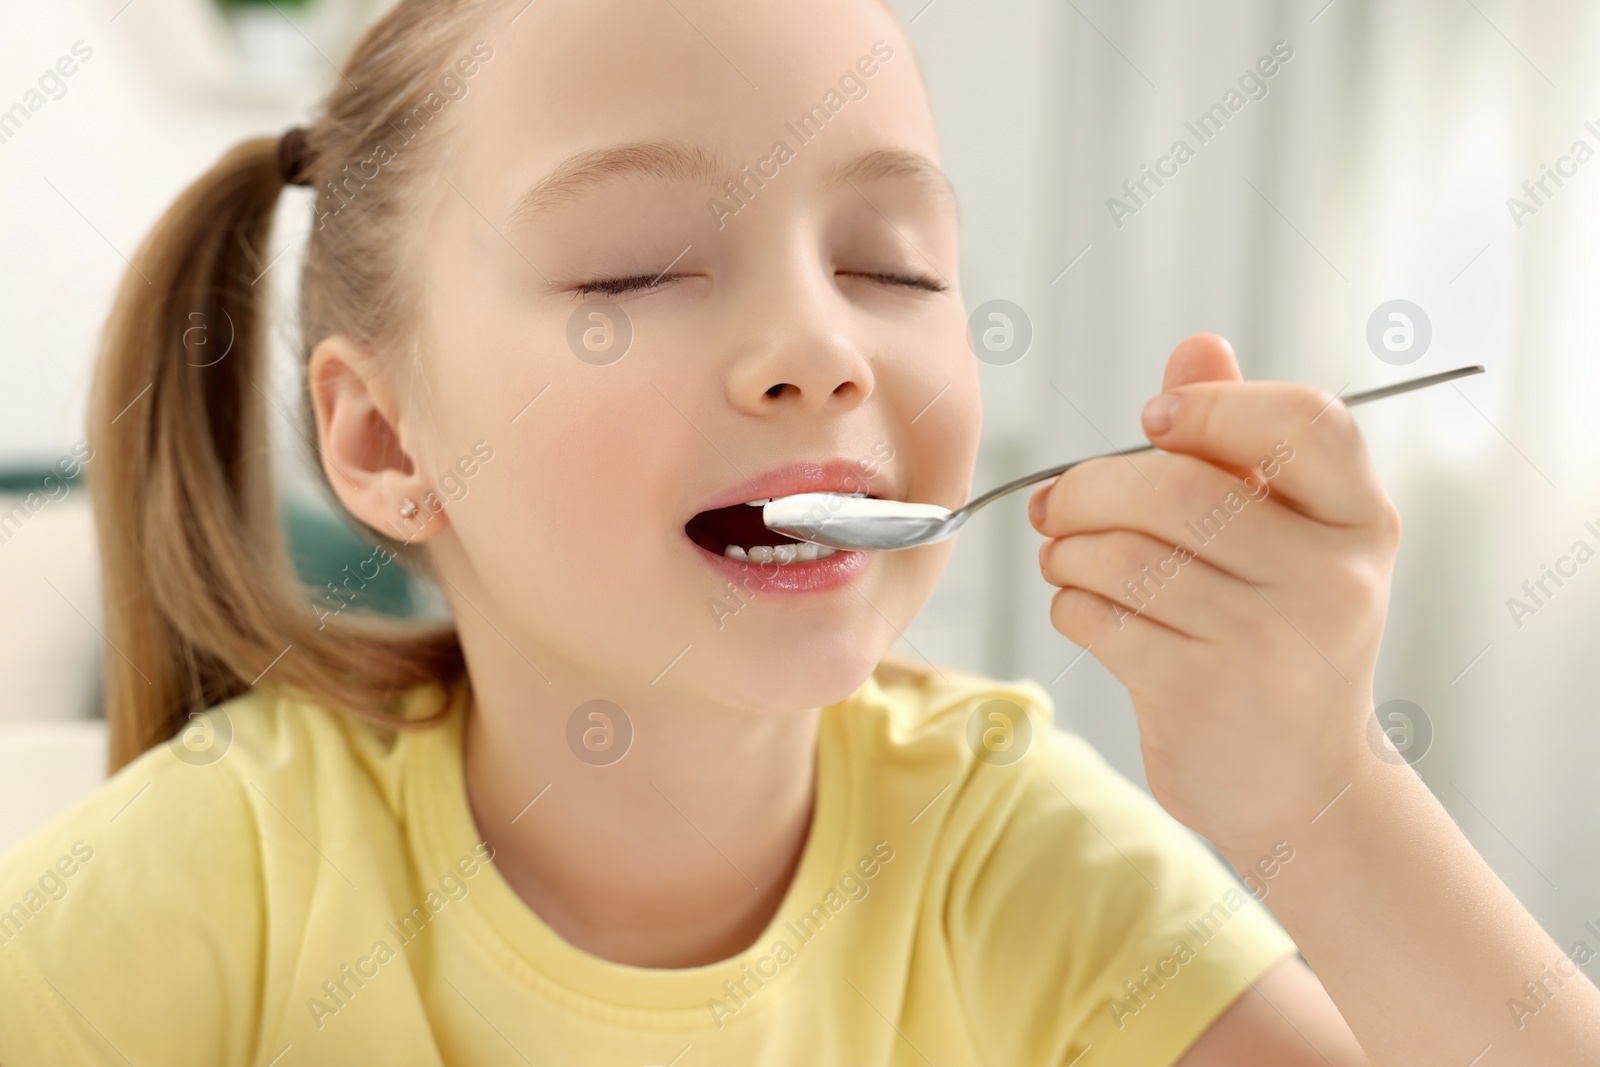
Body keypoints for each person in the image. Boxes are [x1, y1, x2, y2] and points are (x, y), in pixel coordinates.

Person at [1, 0, 1595, 1063]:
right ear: (380, 438)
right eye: (634, 272)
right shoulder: (218, 883)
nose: (824, 345)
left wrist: (1319, 788)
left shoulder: (1002, 848)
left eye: (894, 265)